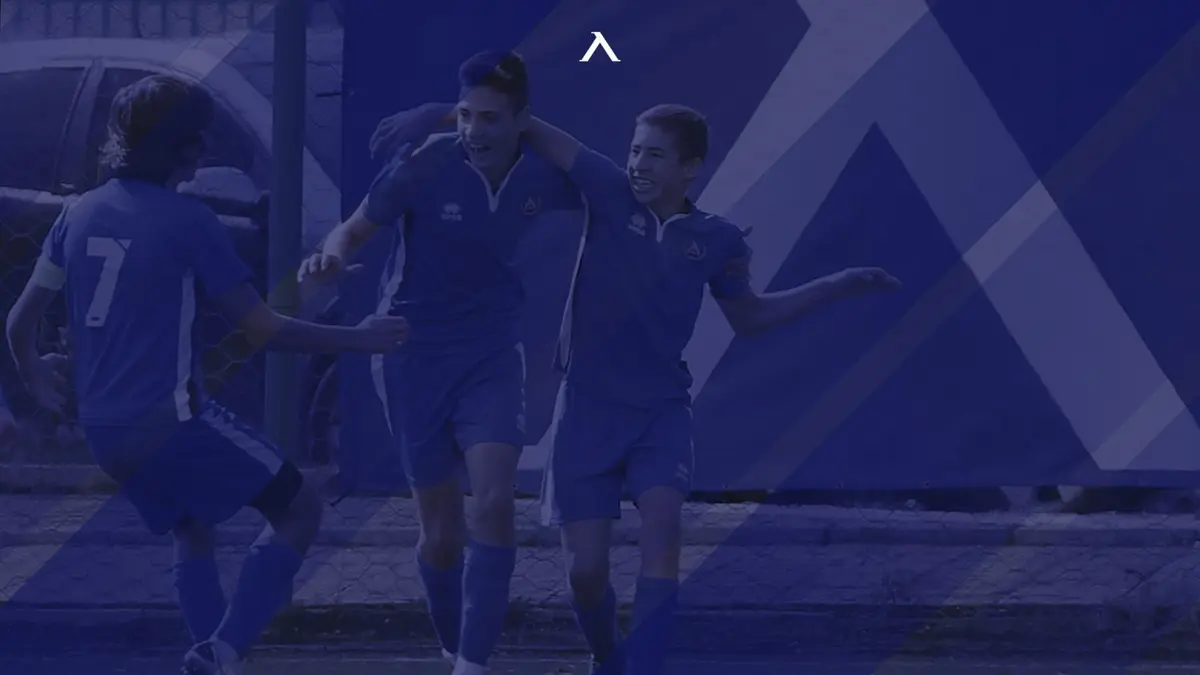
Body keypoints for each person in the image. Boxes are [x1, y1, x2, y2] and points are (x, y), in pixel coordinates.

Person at [373, 102, 901, 674]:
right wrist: (439, 115)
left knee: (663, 528)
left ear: (689, 168)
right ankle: (609, 657)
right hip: (586, 413)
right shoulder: (607, 191)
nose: (638, 164)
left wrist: (837, 284)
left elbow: (750, 317)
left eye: (655, 154)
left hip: (661, 413)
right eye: (634, 151)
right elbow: (530, 127)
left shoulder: (717, 239)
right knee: (585, 574)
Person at [5, 74, 410, 675]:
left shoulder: (78, 214)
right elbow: (261, 329)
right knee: (300, 506)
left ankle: (213, 658)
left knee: (192, 526)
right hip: (170, 422)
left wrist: (37, 375)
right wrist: (361, 338)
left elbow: (20, 321)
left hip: (104, 431)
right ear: (190, 148)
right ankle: (226, 649)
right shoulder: (188, 220)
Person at [298, 51, 580, 675]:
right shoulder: (425, 163)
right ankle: (453, 643)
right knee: (444, 533)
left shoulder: (542, 173)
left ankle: (472, 664)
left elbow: (606, 187)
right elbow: (351, 230)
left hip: (492, 351)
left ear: (522, 120)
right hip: (413, 354)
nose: (475, 130)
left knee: (496, 502)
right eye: (465, 115)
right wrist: (331, 257)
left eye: (490, 118)